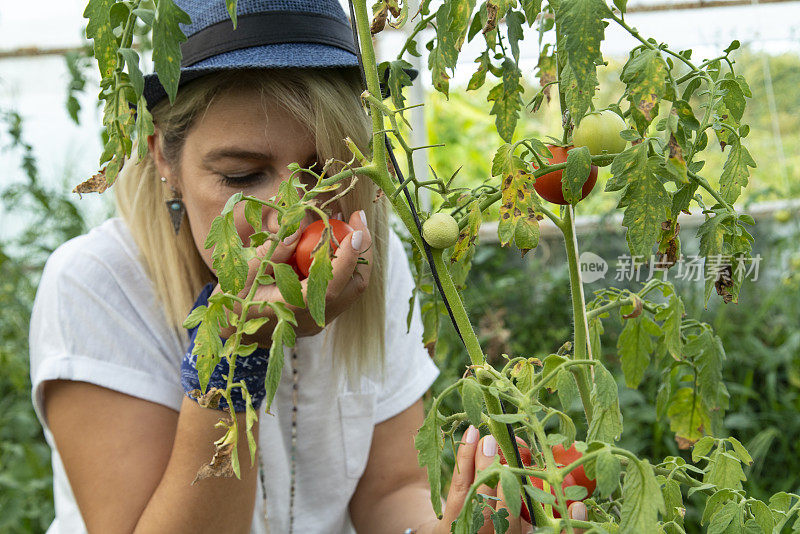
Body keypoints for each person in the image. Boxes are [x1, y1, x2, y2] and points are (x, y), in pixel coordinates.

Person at [28, 1, 587, 532]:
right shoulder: (98, 285)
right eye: (243, 177)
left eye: (327, 171)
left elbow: (390, 491)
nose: (293, 220)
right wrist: (233, 353)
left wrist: (455, 526)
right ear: (163, 159)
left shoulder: (368, 255)